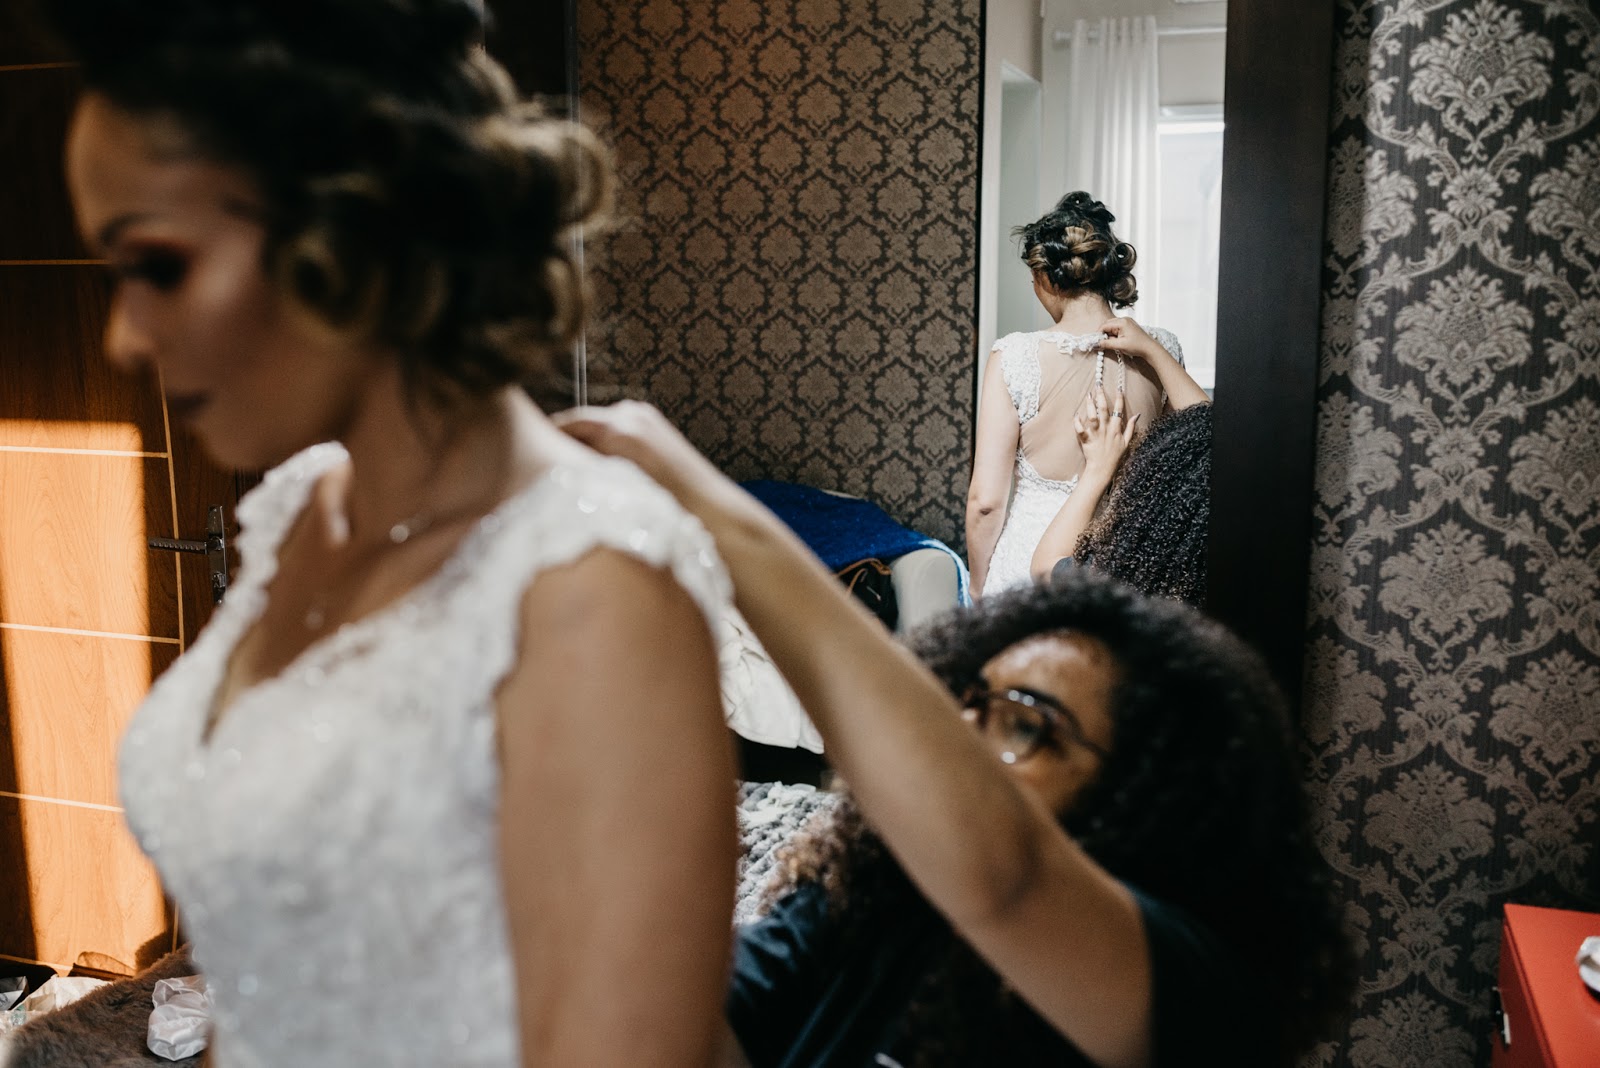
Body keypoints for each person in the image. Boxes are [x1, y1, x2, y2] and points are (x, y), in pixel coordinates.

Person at [44, 1, 736, 1064]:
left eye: (160, 266)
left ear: (349, 224)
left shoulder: (593, 589)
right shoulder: (297, 511)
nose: (124, 339)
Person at [558, 402, 1355, 1068]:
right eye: (967, 701)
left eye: (1027, 724)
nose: (959, 733)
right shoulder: (861, 905)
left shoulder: (1196, 986)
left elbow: (1005, 869)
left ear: (1147, 786)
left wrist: (706, 502)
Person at [967, 192, 1191, 597]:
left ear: (1047, 277)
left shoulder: (1013, 357)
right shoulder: (1162, 350)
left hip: (1030, 567)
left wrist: (979, 587)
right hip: (1127, 564)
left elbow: (985, 503)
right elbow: (1191, 449)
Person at [1026, 330, 1213, 605]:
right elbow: (1209, 439)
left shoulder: (1130, 571)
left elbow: (1044, 569)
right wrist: (1154, 351)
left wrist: (1098, 470)